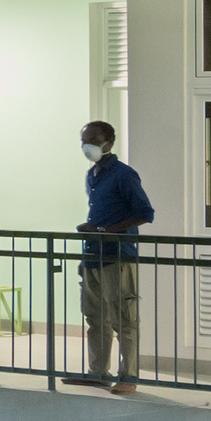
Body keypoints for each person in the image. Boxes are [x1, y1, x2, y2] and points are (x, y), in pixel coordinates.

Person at [74, 119, 154, 391]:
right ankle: (97, 372)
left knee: (124, 319)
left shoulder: (124, 174)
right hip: (93, 255)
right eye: (84, 140)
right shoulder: (92, 175)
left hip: (117, 256)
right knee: (95, 318)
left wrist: (106, 230)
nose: (88, 146)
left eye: (94, 140)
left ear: (109, 142)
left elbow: (144, 213)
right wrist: (92, 230)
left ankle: (128, 377)